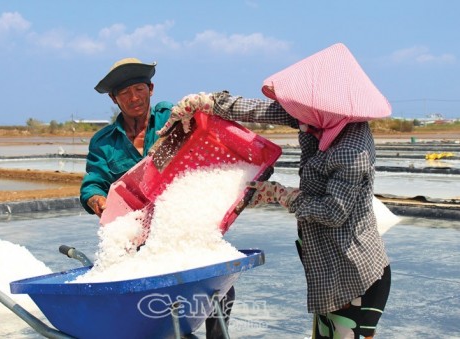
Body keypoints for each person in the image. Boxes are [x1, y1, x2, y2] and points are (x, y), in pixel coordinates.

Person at [157, 43, 392, 339]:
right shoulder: (322, 117)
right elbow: (261, 109)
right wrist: (206, 102)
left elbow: (333, 212)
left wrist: (281, 195)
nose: (298, 117)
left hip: (353, 274)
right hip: (330, 269)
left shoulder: (351, 150)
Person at [79, 57, 235, 339]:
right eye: (124, 93)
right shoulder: (103, 142)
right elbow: (92, 183)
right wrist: (96, 200)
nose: (134, 98)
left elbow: (204, 126)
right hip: (135, 234)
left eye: (139, 89)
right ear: (115, 100)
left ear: (151, 88)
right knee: (153, 304)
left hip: (181, 223)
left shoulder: (170, 117)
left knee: (217, 287)